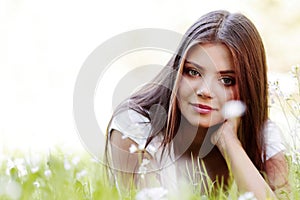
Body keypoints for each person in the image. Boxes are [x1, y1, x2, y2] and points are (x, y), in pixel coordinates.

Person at [104, 10, 289, 199]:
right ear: (177, 71)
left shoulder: (262, 136)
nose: (205, 91)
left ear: (248, 88)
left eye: (226, 80)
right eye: (193, 72)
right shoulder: (136, 129)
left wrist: (230, 143)